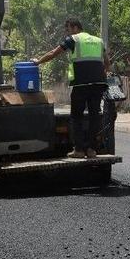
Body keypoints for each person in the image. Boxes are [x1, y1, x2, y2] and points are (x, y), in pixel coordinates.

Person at [33, 18, 110, 159]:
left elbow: (53, 53)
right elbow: (107, 62)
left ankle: (79, 150)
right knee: (94, 116)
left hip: (81, 84)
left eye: (68, 29)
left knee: (76, 117)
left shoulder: (73, 39)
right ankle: (92, 150)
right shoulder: (98, 40)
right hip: (98, 84)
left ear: (75, 27)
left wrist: (38, 61)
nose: (67, 33)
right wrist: (103, 73)